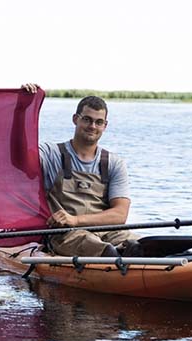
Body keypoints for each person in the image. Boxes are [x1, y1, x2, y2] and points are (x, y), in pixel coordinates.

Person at [22, 83, 141, 257]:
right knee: (104, 249)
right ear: (75, 119)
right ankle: (115, 261)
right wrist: (23, 107)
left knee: (139, 244)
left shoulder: (114, 163)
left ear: (105, 126)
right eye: (87, 119)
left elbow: (120, 215)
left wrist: (75, 220)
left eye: (98, 122)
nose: (92, 126)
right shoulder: (51, 154)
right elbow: (20, 153)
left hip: (107, 232)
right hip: (65, 236)